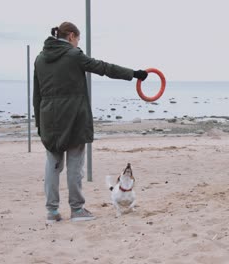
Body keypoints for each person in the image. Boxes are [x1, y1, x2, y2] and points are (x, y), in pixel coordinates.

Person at [33, 22, 148, 223]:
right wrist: (134, 74)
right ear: (70, 36)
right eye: (77, 39)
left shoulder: (40, 58)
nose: (78, 44)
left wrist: (39, 125)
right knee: (75, 166)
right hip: (74, 117)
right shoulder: (73, 55)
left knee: (52, 165)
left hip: (49, 119)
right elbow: (103, 67)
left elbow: (37, 95)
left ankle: (52, 212)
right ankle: (77, 210)